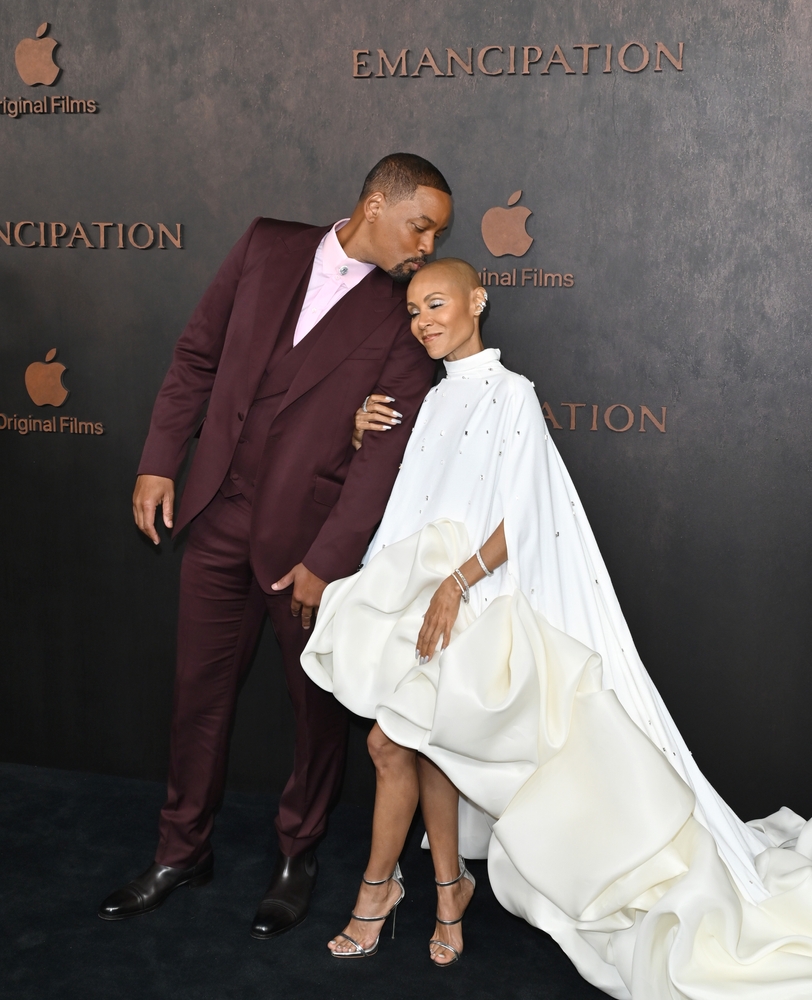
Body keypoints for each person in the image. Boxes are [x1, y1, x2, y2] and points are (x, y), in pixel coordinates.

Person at [302, 258, 812, 995]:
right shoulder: (434, 398)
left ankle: (379, 894)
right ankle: (447, 893)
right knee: (422, 743)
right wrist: (361, 439)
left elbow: (526, 518)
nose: (423, 322)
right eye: (412, 311)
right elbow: (415, 500)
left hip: (482, 606)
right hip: (428, 602)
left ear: (478, 300)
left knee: (394, 741)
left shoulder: (512, 393)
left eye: (436, 304)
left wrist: (456, 584)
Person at [97, 154, 452, 938]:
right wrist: (159, 460)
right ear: (374, 205)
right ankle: (181, 851)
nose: (428, 246)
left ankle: (298, 855)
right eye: (421, 226)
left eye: (436, 235)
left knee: (314, 712)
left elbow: (383, 456)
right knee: (197, 697)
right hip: (216, 515)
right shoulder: (265, 244)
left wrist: (328, 561)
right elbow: (197, 354)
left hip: (309, 546)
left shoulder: (404, 315)